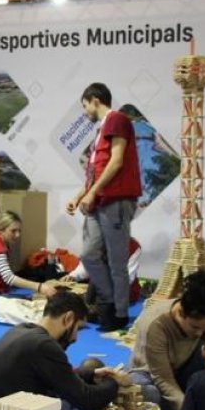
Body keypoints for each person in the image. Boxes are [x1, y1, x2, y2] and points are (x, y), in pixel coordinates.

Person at [64, 83, 142, 332]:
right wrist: (81, 195)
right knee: (89, 254)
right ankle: (109, 302)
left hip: (115, 200)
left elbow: (117, 162)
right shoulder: (101, 129)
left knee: (117, 261)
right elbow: (96, 171)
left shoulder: (116, 119)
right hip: (99, 200)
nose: (85, 111)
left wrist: (93, 192)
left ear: (94, 100)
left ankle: (118, 313)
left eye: (85, 105)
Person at [129, 270, 205, 410]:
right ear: (180, 312)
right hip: (150, 373)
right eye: (195, 327)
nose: (199, 333)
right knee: (148, 394)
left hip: (186, 365)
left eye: (204, 329)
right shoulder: (155, 323)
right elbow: (162, 377)